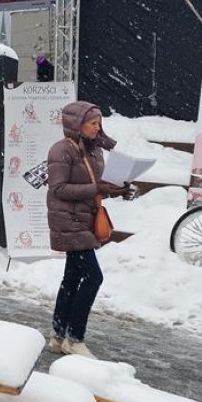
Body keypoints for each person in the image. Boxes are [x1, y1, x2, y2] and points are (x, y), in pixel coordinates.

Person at [46, 101, 129, 358]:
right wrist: (98, 189)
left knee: (72, 277)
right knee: (93, 277)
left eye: (99, 123)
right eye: (93, 123)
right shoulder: (62, 150)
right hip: (68, 220)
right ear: (76, 124)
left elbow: (94, 183)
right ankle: (75, 337)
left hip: (84, 218)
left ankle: (59, 336)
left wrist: (115, 187)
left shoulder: (93, 150)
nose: (97, 128)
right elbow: (58, 189)